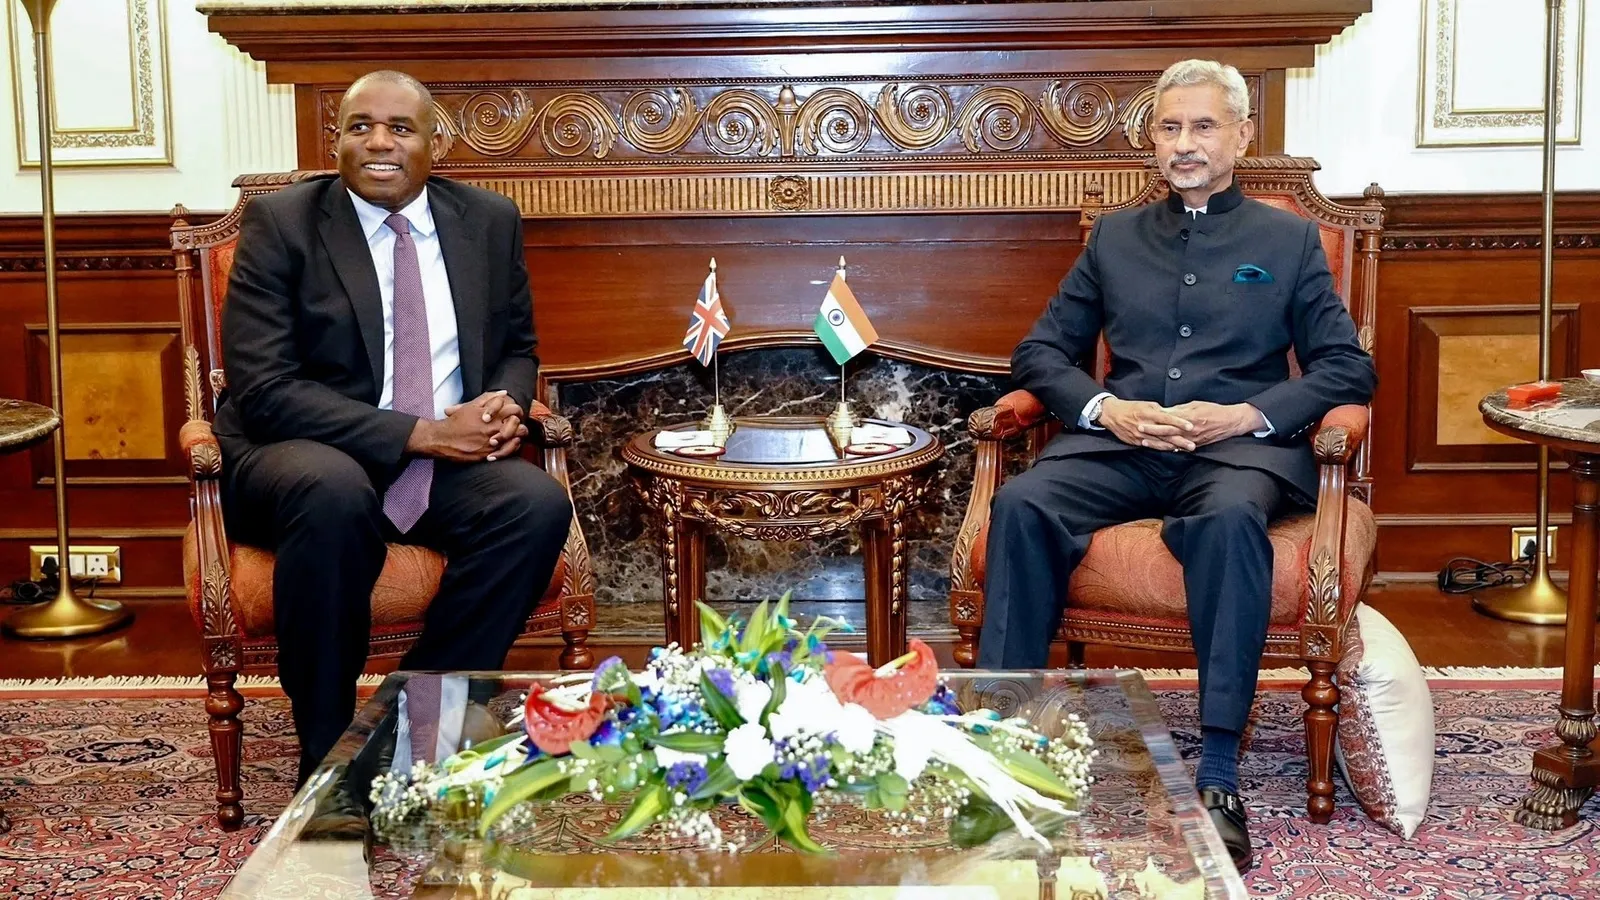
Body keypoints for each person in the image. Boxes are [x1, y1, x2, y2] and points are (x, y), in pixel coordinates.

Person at [978, 59, 1376, 871]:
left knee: (1228, 520)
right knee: (1022, 503)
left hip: (1234, 450)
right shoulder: (1116, 237)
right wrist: (1105, 408)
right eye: (1169, 127)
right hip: (1120, 445)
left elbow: (1345, 367)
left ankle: (1220, 773)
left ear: (1241, 136)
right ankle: (1005, 757)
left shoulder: (1288, 240)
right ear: (1153, 141)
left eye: (1202, 126)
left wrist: (1248, 415)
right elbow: (1039, 352)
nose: (1185, 143)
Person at [215, 70, 573, 792]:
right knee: (333, 489)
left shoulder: (488, 220)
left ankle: (408, 727)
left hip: (438, 466)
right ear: (337, 142)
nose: (379, 142)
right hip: (296, 457)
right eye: (361, 126)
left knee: (534, 504)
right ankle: (326, 765)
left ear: (436, 143)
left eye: (400, 128)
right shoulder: (283, 223)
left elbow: (518, 345)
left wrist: (502, 406)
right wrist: (425, 435)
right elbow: (266, 391)